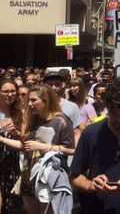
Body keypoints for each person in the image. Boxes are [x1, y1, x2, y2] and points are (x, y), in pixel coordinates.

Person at [0, 84, 75, 214]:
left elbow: (71, 150)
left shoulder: (61, 121)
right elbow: (26, 146)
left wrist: (44, 147)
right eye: (29, 100)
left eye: (33, 100)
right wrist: (6, 138)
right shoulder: (36, 120)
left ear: (46, 100)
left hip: (48, 178)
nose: (29, 104)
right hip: (29, 176)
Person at [70, 76, 120, 214]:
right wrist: (91, 185)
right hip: (97, 207)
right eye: (115, 115)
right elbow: (74, 177)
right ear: (107, 107)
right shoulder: (91, 133)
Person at [0, 79, 23, 213]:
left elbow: (26, 139)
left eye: (12, 91)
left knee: (11, 201)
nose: (9, 94)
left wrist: (16, 132)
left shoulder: (21, 112)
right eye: (5, 91)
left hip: (12, 161)